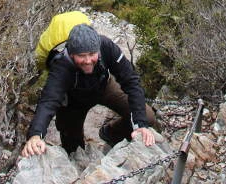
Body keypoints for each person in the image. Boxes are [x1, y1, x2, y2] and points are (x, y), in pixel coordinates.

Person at [21, 23, 157, 157]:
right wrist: (35, 135)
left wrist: (140, 124)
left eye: (92, 54)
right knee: (73, 149)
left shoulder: (106, 46)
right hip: (73, 101)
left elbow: (131, 81)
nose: (87, 60)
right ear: (72, 54)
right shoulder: (62, 65)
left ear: (98, 49)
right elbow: (48, 101)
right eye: (81, 56)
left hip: (104, 86)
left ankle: (110, 133)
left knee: (148, 117)